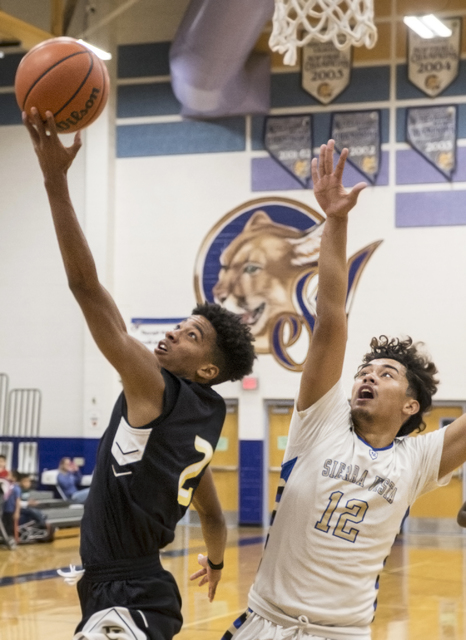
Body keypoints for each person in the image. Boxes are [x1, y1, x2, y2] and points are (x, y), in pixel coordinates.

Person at [23, 108, 255, 640]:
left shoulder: (155, 387)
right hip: (137, 589)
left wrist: (55, 183)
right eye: (180, 324)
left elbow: (86, 290)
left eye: (191, 335)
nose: (173, 333)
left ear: (208, 368)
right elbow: (215, 519)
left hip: (125, 594)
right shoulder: (208, 414)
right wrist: (217, 564)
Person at [221, 140, 466, 640]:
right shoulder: (321, 423)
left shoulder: (417, 460)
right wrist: (335, 221)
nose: (368, 375)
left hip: (343, 633)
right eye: (365, 369)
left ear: (412, 405)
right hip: (267, 624)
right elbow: (331, 319)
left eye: (386, 373)